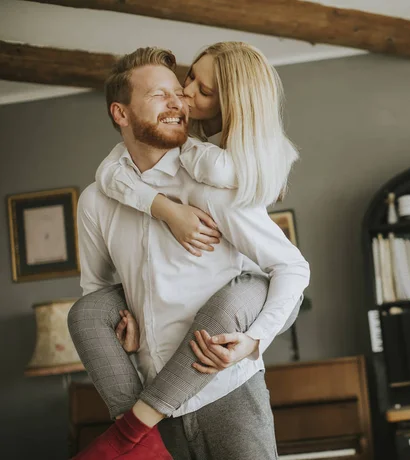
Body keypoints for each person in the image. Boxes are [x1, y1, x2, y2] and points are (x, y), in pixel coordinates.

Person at [69, 43, 309, 460]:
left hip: (229, 390)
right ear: (120, 114)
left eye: (178, 92)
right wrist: (122, 326)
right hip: (151, 389)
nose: (179, 100)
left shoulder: (211, 183)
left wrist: (254, 341)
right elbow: (98, 288)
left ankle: (126, 436)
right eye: (160, 94)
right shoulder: (96, 200)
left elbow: (289, 266)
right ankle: (134, 431)